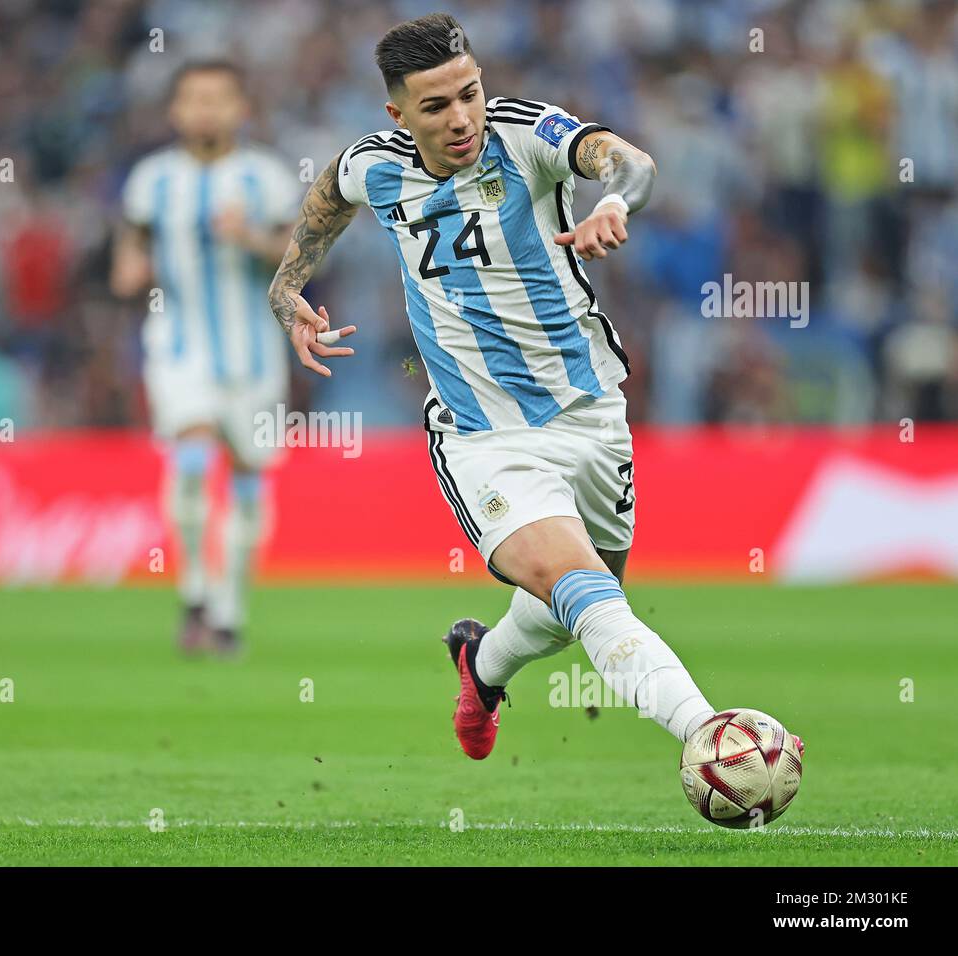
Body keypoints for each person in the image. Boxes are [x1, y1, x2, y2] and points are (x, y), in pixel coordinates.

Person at [266, 13, 804, 761]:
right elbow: (330, 193)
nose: (461, 118)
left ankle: (480, 667)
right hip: (484, 435)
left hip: (591, 415)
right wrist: (287, 285)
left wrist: (614, 201)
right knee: (578, 584)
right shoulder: (376, 164)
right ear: (398, 115)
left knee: (569, 609)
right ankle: (713, 738)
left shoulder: (526, 136)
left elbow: (630, 162)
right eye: (436, 106)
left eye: (469, 93)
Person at [112, 61, 301, 656]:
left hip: (254, 349)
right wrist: (128, 268)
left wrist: (252, 238)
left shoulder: (266, 177)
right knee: (191, 454)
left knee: (248, 475)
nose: (206, 110)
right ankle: (195, 588)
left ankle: (228, 610)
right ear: (175, 111)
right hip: (177, 343)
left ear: (240, 108)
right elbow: (132, 244)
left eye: (219, 98)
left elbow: (299, 257)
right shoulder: (151, 180)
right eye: (194, 99)